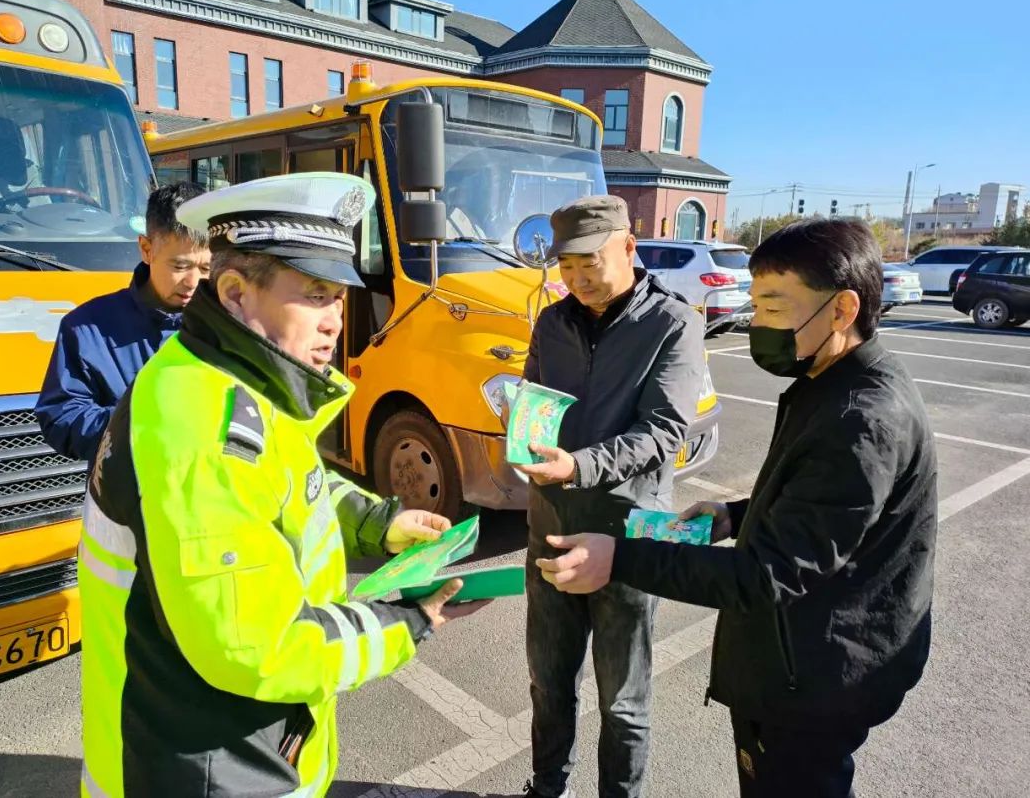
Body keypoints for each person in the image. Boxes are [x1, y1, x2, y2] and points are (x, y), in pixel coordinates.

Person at [77, 172, 481, 798]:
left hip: (224, 743)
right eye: (315, 295)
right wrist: (407, 622)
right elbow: (259, 648)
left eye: (339, 298)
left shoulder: (227, 380)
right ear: (235, 293)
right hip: (203, 763)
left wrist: (378, 524)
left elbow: (292, 485)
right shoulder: (206, 424)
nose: (335, 322)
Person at [536, 218, 938, 798]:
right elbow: (821, 506)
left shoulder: (860, 418)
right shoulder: (832, 381)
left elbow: (767, 575)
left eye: (775, 307)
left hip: (813, 677)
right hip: (800, 659)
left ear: (842, 310)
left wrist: (617, 559)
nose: (757, 324)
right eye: (754, 304)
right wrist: (736, 515)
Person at [513, 195, 705, 798]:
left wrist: (578, 465)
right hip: (550, 526)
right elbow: (535, 403)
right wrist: (521, 428)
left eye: (589, 263)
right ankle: (546, 787)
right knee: (548, 682)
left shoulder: (672, 322)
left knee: (623, 700)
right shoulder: (552, 321)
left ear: (628, 246)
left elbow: (666, 431)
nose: (577, 280)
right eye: (565, 268)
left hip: (627, 535)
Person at [36, 182, 211, 463]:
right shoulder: (86, 327)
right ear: (146, 249)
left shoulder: (234, 322)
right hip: (123, 499)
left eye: (206, 268)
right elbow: (61, 415)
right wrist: (139, 425)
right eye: (179, 266)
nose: (193, 283)